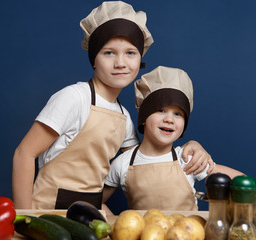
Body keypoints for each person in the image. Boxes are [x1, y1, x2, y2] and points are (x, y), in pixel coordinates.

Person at [12, 1, 213, 210]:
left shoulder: (123, 117)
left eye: (130, 53)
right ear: (94, 59)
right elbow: (24, 154)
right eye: (109, 52)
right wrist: (25, 218)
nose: (121, 63)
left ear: (140, 59)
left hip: (88, 219)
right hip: (48, 214)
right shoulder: (73, 98)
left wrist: (193, 147)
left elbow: (146, 163)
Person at [103, 66, 243, 213]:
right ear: (143, 118)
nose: (169, 119)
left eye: (177, 114)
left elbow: (242, 182)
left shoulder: (187, 159)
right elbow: (95, 203)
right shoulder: (122, 164)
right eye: (160, 110)